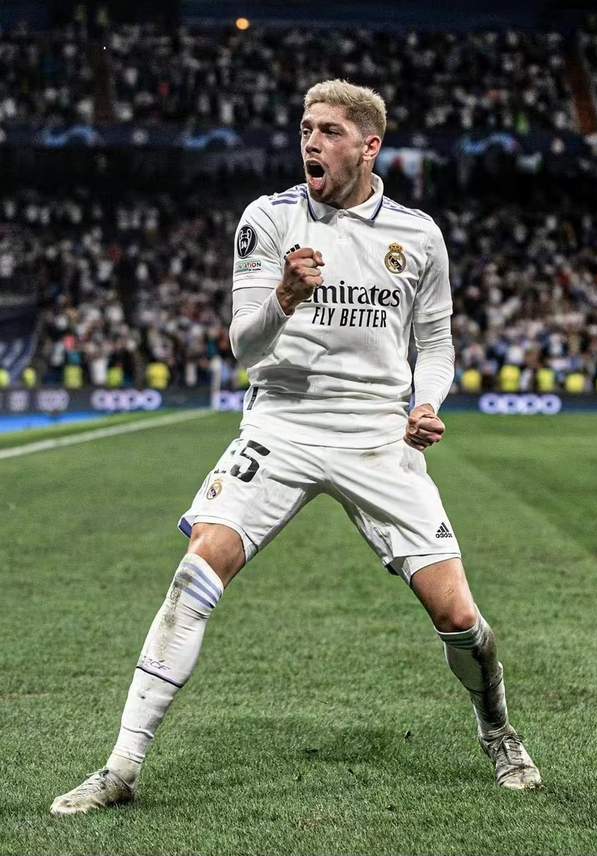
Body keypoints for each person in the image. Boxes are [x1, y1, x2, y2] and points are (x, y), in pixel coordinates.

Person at [50, 79, 541, 816]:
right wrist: (282, 298)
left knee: (459, 619)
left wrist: (427, 403)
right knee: (195, 572)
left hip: (377, 434)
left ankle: (497, 729)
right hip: (282, 423)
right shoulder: (269, 219)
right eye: (307, 128)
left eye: (330, 131)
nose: (312, 142)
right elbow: (243, 347)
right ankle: (121, 767)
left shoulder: (418, 235)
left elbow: (436, 344)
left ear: (370, 146)